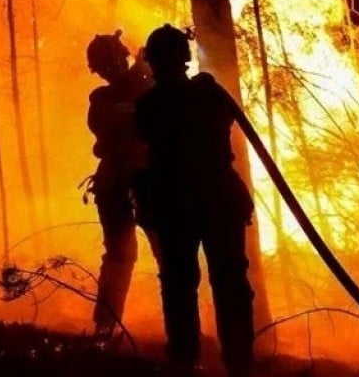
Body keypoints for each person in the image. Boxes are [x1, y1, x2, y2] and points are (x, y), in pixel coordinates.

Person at [134, 24, 256, 377]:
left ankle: (185, 362)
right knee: (229, 282)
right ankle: (239, 363)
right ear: (185, 59)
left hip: (176, 203)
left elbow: (147, 138)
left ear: (153, 63)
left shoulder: (149, 104)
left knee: (179, 284)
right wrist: (204, 86)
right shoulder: (209, 95)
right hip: (218, 199)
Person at [85, 30, 158, 340]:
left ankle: (105, 327)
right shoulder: (104, 98)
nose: (111, 69)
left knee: (126, 255)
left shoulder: (139, 87)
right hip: (133, 182)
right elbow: (133, 112)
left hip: (125, 182)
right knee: (125, 254)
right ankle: (105, 327)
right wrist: (144, 71)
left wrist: (144, 72)